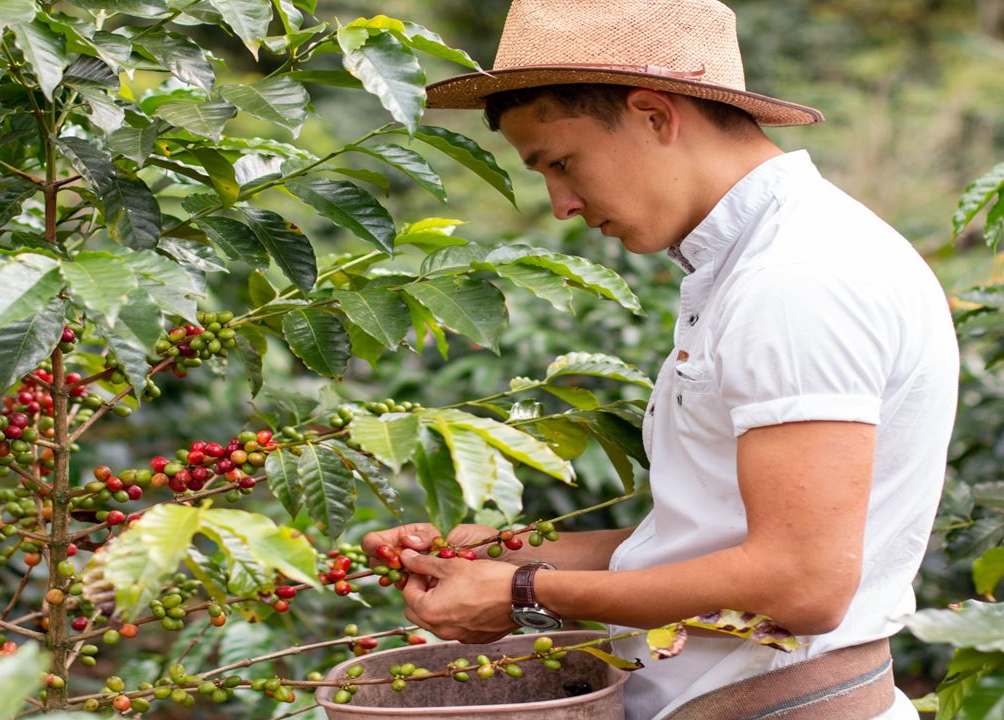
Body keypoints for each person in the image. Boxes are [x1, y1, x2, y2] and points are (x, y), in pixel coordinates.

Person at [359, 1, 959, 718]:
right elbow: (710, 544)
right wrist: (501, 559)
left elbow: (801, 584)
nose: (560, 203)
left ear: (652, 115)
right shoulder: (754, 263)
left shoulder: (797, 277)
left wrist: (526, 595)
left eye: (561, 162)